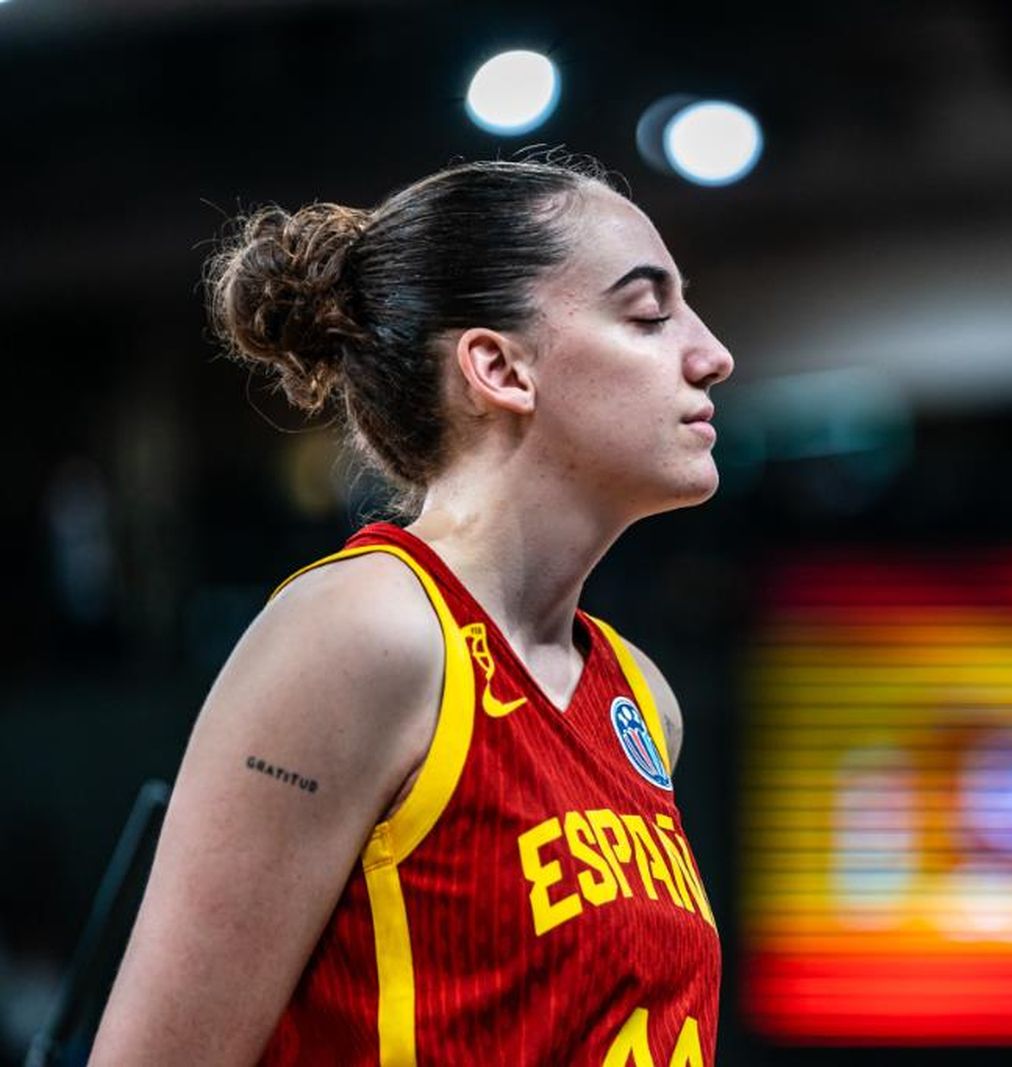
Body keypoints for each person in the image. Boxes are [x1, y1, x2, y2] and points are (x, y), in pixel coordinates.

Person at [90, 157, 733, 1065]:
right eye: (649, 313)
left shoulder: (642, 697)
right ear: (501, 367)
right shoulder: (363, 629)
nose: (712, 353)